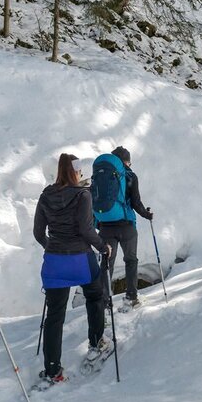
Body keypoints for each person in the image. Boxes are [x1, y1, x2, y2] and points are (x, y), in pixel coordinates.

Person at [33, 153, 113, 386]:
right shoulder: (82, 195)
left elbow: (38, 233)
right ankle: (97, 342)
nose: (81, 174)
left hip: (55, 261)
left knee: (55, 315)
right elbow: (86, 230)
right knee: (95, 296)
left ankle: (52, 370)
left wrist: (54, 247)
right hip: (80, 258)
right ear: (75, 172)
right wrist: (103, 246)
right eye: (79, 171)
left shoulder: (45, 195)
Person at [96, 146, 153, 309]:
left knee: (107, 264)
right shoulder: (130, 176)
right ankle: (131, 297)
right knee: (131, 260)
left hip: (106, 227)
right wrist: (147, 215)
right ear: (126, 162)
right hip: (126, 226)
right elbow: (135, 202)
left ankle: (105, 303)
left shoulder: (102, 176)